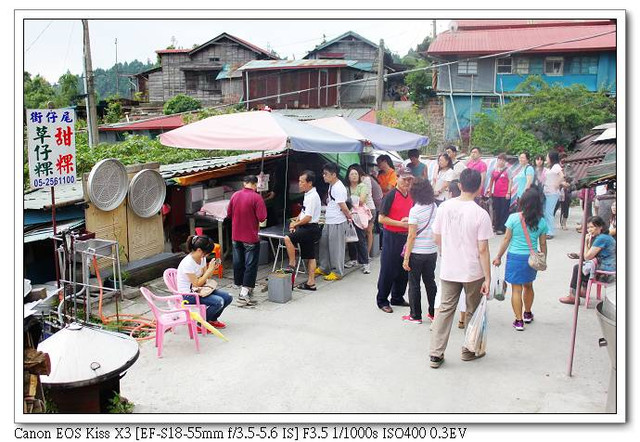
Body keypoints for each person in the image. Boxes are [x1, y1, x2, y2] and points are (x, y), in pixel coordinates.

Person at [429, 169, 493, 368]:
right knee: (473, 310)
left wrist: (446, 250)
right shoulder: (481, 214)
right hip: (473, 271)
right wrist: (488, 278)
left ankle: (436, 354)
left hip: (449, 267)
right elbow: (482, 249)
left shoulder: (444, 207)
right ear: (478, 188)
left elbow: (436, 237)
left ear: (460, 186)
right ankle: (469, 350)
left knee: (446, 309)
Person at [492, 188, 548, 331]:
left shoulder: (513, 218)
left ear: (522, 201)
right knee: (529, 286)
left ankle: (518, 321)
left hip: (515, 258)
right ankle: (528, 313)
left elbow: (506, 239)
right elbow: (543, 244)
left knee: (516, 289)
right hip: (531, 258)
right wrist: (543, 259)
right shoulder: (541, 221)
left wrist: (498, 256)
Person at [376, 167, 415, 313]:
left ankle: (397, 297)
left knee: (403, 269)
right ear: (397, 178)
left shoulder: (411, 195)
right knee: (388, 268)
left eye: (409, 179)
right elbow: (381, 218)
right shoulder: (391, 195)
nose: (407, 182)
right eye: (404, 179)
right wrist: (401, 224)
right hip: (392, 235)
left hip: (407, 236)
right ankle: (382, 300)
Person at [227, 175, 268, 305]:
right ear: (255, 185)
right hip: (250, 236)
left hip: (236, 235)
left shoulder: (235, 195)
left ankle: (239, 285)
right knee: (250, 264)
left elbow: (229, 214)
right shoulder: (257, 197)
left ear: (244, 183)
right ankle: (244, 293)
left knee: (238, 262)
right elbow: (262, 218)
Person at [402, 179, 438, 324]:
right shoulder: (434, 206)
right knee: (430, 282)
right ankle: (433, 313)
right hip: (431, 251)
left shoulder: (415, 210)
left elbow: (411, 236)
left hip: (417, 253)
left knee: (414, 284)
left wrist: (406, 257)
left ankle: (415, 315)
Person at [177, 235, 232, 329]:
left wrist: (212, 269)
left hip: (200, 289)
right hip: (188, 295)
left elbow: (206, 278)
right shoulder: (188, 263)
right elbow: (197, 283)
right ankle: (200, 323)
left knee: (228, 297)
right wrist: (209, 270)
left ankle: (211, 320)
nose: (207, 255)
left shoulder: (202, 258)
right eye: (206, 253)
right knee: (219, 301)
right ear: (199, 250)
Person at [559, 216, 616, 304]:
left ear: (600, 227)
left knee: (577, 268)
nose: (589, 230)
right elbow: (591, 253)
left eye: (592, 227)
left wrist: (586, 241)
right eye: (588, 227)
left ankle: (573, 296)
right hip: (608, 266)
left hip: (606, 272)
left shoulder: (602, 238)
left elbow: (587, 256)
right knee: (584, 264)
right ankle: (583, 290)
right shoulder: (604, 236)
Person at [282, 171, 322, 290]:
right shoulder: (308, 194)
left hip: (310, 228)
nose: (299, 184)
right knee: (310, 256)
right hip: (307, 227)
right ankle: (311, 283)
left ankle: (292, 263)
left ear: (309, 183)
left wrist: (296, 223)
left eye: (302, 181)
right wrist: (297, 219)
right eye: (299, 181)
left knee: (287, 238)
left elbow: (308, 217)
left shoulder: (313, 196)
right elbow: (303, 211)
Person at [315, 162, 353, 281]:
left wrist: (349, 217)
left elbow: (343, 206)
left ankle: (337, 272)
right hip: (330, 219)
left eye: (326, 174)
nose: (324, 176)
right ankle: (324, 267)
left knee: (336, 248)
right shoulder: (332, 185)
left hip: (337, 221)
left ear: (334, 174)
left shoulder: (339, 187)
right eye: (324, 173)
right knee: (324, 244)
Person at [345, 164, 372, 274]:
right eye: (352, 174)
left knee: (361, 239)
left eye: (356, 174)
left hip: (359, 217)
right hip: (348, 215)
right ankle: (353, 259)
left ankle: (365, 263)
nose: (354, 176)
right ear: (348, 176)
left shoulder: (362, 186)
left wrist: (350, 201)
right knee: (350, 238)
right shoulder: (346, 188)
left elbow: (361, 201)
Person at [542, 150, 566, 239]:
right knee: (545, 211)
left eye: (547, 156)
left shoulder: (556, 166)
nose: (546, 158)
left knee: (549, 212)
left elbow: (562, 176)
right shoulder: (550, 167)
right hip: (547, 191)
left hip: (552, 193)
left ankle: (550, 231)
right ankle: (546, 230)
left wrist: (557, 184)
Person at [488, 152, 511, 235]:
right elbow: (491, 181)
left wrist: (508, 192)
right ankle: (496, 226)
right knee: (497, 210)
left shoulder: (508, 170)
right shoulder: (494, 170)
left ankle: (502, 228)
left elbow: (510, 181)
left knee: (504, 211)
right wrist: (490, 191)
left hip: (505, 194)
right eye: (499, 160)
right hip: (496, 194)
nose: (501, 162)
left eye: (503, 160)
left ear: (505, 162)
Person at [360, 166, 379, 258]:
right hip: (363, 209)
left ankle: (366, 253)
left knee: (368, 231)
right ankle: (364, 254)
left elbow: (365, 195)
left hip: (369, 208)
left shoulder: (366, 179)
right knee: (365, 232)